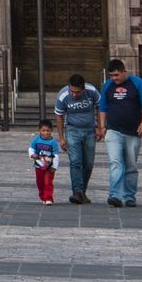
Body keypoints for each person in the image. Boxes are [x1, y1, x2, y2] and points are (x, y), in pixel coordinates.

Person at [100, 59, 142, 208]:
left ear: (124, 71)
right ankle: (115, 194)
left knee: (131, 165)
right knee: (115, 162)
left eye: (116, 75)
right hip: (113, 129)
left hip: (133, 131)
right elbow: (103, 106)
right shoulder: (107, 86)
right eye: (111, 75)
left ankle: (129, 196)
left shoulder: (137, 83)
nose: (114, 78)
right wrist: (102, 126)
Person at [53, 72, 103, 204]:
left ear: (83, 89)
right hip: (72, 130)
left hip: (90, 131)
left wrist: (100, 127)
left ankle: (82, 191)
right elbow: (59, 115)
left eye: (77, 92)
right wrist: (61, 137)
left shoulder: (92, 91)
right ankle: (77, 191)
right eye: (72, 91)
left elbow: (100, 107)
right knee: (75, 162)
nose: (74, 94)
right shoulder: (63, 95)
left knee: (88, 163)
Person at [29, 120, 61, 205]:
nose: (45, 133)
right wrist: (32, 155)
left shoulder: (53, 142)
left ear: (51, 131)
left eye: (48, 131)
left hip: (49, 166)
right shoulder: (36, 139)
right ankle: (43, 196)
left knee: (48, 182)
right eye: (43, 131)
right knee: (40, 182)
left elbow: (56, 155)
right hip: (38, 165)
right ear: (39, 130)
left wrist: (54, 166)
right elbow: (31, 149)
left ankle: (48, 198)